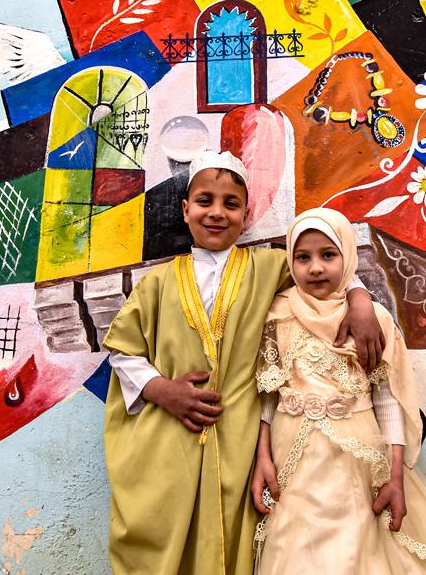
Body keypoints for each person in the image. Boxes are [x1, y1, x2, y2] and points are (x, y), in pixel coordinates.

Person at [101, 151, 384, 575]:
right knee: (159, 540)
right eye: (205, 201)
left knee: (230, 538)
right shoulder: (156, 283)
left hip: (238, 444)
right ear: (185, 209)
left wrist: (360, 299)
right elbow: (123, 351)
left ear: (245, 213)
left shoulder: (269, 267)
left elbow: (327, 268)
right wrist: (163, 390)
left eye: (230, 204)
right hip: (165, 436)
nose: (216, 213)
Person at [251, 207, 426, 575]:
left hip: (358, 460)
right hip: (289, 458)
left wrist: (394, 475)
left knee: (358, 547)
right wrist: (262, 458)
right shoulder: (277, 314)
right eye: (303, 257)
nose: (315, 268)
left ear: (347, 258)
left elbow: (387, 399)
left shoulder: (372, 319)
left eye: (328, 255)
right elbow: (267, 395)